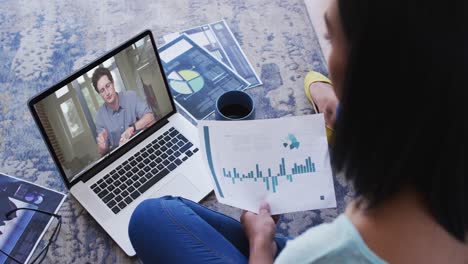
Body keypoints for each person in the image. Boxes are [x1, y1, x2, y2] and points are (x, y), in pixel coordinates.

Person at [127, 0, 468, 263]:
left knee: (149, 218)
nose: (328, 56)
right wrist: (332, 97)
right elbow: (314, 80)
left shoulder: (320, 252)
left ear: (369, 74)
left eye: (331, 39)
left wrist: (262, 246)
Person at [92, 67, 155, 156]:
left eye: (108, 86)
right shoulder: (100, 117)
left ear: (113, 83)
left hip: (142, 147)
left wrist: (132, 128)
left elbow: (150, 117)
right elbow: (103, 151)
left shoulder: (130, 96)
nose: (107, 93)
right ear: (99, 94)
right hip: (121, 157)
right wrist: (102, 147)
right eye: (102, 90)